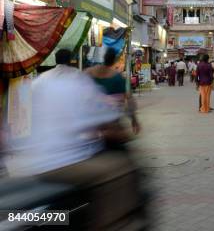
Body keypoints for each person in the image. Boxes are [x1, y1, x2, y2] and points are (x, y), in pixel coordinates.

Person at [7, 49, 143, 228]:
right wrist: (121, 129)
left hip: (30, 161)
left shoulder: (37, 82)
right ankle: (111, 224)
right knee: (120, 169)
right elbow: (103, 117)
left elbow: (16, 125)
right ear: (72, 60)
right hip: (65, 162)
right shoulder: (79, 81)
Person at [86, 48, 140, 135]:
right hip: (111, 122)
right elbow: (129, 100)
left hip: (92, 121)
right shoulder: (118, 78)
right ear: (114, 60)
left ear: (103, 58)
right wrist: (134, 120)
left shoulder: (90, 72)